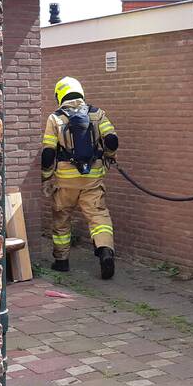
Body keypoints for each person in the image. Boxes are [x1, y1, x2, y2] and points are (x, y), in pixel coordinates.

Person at [40, 77, 119, 280]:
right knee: (98, 217)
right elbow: (111, 139)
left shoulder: (55, 118)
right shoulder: (97, 114)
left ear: (59, 95)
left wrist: (46, 177)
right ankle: (105, 251)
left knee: (62, 219)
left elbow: (48, 152)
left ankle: (61, 261)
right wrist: (109, 156)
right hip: (92, 178)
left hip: (65, 181)